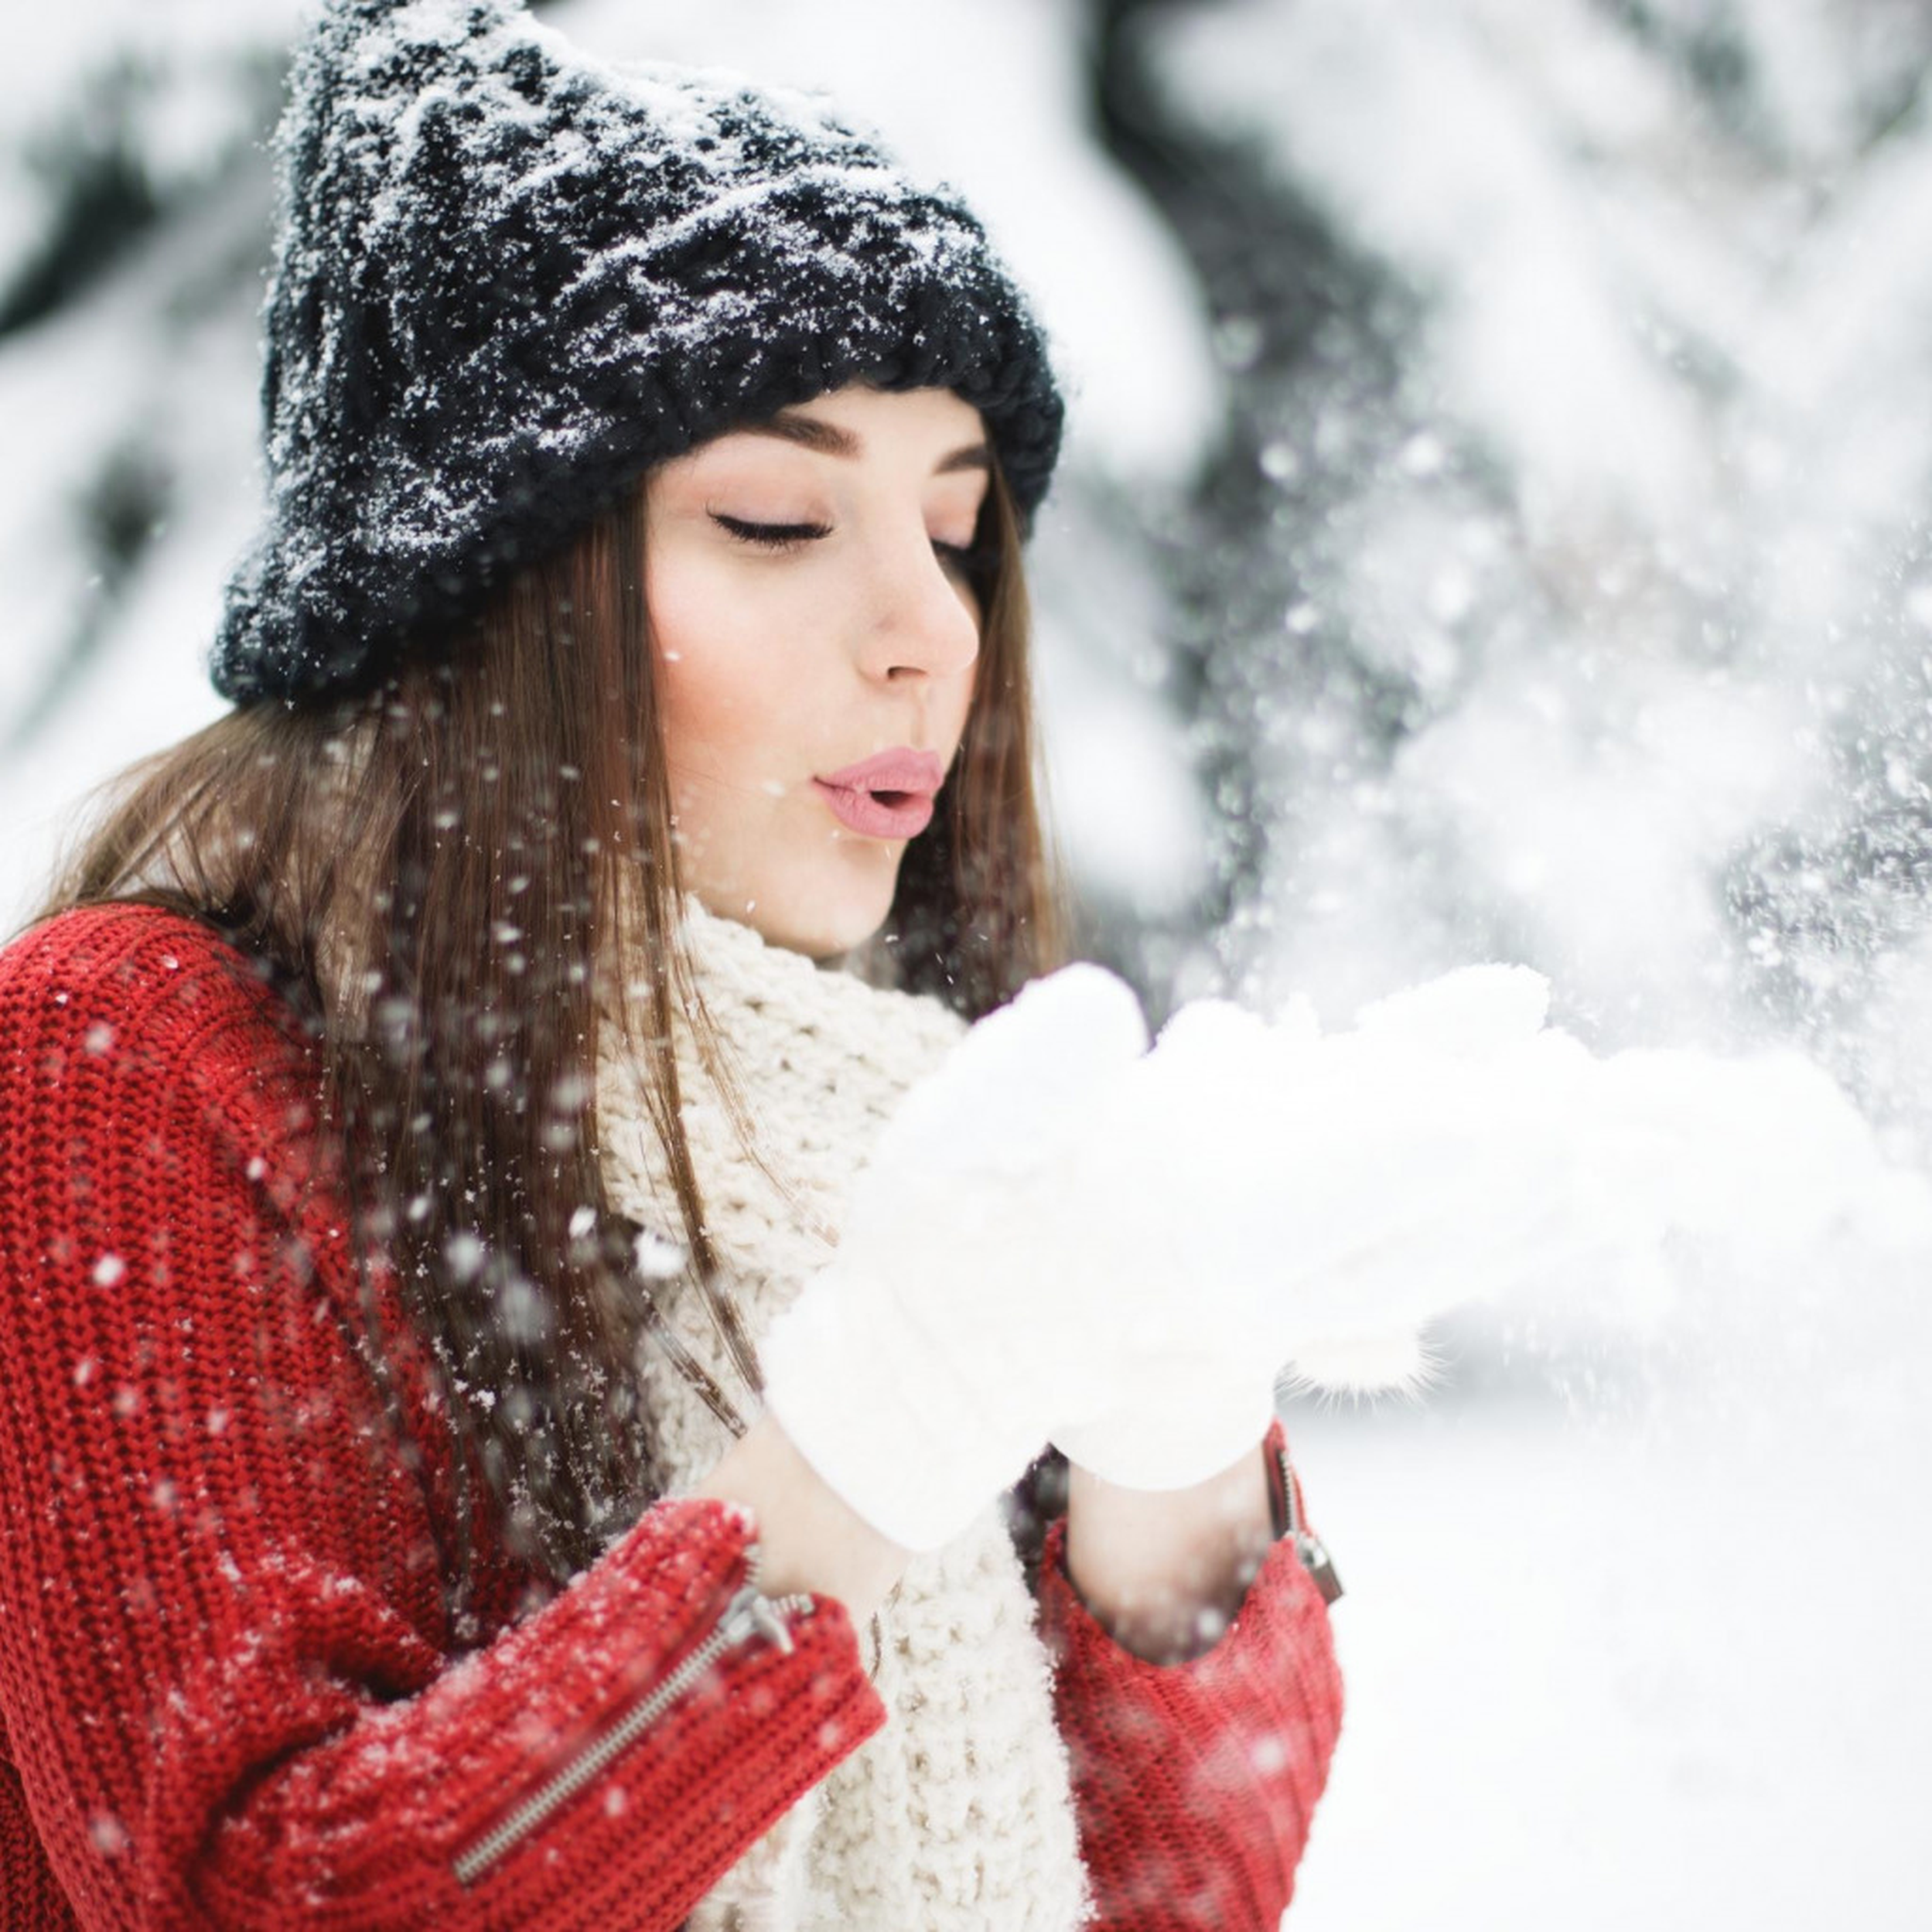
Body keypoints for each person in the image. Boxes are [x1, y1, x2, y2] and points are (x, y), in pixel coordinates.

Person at [0, 2, 1342, 1927]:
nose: (923, 632)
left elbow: (1164, 1893)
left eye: (961, 532)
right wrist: (829, 1491)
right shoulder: (134, 1065)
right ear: (484, 593)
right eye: (778, 520)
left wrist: (1176, 1463)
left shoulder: (894, 1106)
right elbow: (256, 1893)